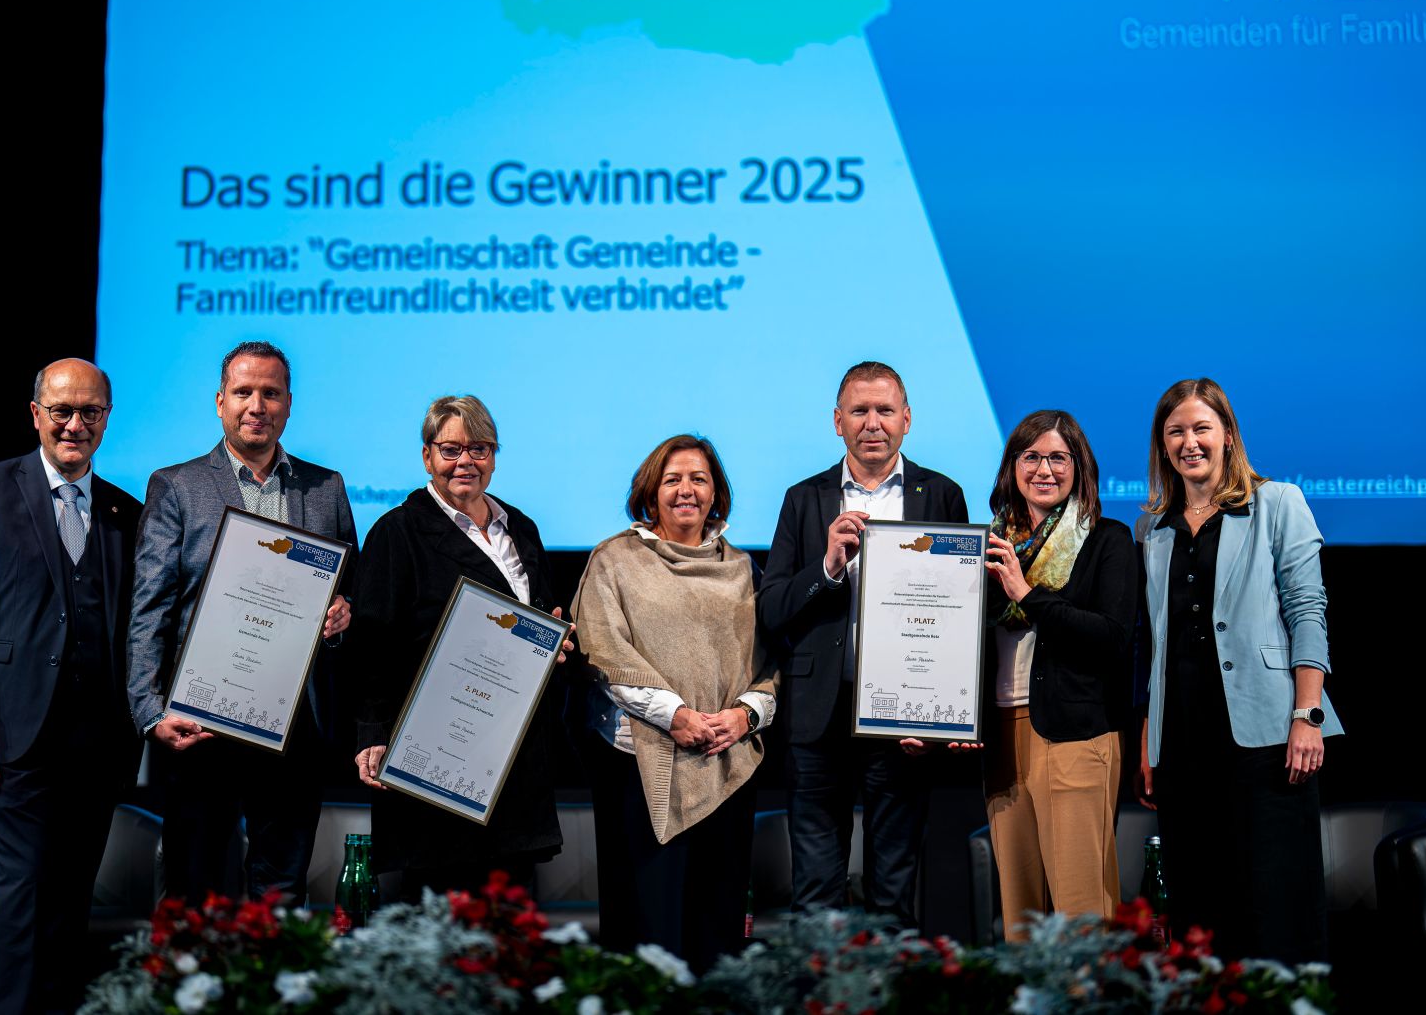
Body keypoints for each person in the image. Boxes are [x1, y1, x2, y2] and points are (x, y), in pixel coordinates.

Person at [0, 359, 143, 1015]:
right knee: (19, 902)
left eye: (90, 412)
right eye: (62, 410)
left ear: (107, 418)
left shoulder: (122, 510)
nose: (75, 424)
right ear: (35, 414)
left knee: (66, 907)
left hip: (98, 749)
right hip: (12, 745)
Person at [127, 341, 355, 903]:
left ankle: (274, 990)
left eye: (270, 393)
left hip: (294, 723)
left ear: (288, 403)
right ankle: (196, 993)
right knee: (196, 888)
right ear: (220, 401)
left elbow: (347, 587)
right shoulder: (176, 486)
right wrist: (150, 711)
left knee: (280, 889)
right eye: (244, 392)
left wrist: (342, 612)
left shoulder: (325, 488)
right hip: (201, 721)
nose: (258, 405)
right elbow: (148, 608)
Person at [757, 361, 971, 923]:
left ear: (907, 419)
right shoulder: (804, 499)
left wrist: (939, 715)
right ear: (837, 421)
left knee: (894, 897)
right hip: (818, 718)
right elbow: (771, 608)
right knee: (815, 896)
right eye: (859, 411)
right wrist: (826, 566)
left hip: (902, 722)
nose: (871, 423)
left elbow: (962, 615)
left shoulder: (942, 494)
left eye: (883, 410)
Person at [1138, 378, 1342, 963]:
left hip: (1266, 737)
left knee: (1277, 907)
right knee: (1199, 912)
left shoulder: (1278, 502)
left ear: (1227, 434)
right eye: (1175, 431)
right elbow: (1154, 643)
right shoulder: (1152, 528)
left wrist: (1307, 714)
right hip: (1181, 742)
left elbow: (1308, 612)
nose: (1189, 441)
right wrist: (1148, 737)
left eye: (1201, 427)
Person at [573, 434, 776, 973]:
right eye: (673, 479)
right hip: (640, 766)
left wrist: (743, 716)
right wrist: (677, 716)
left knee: (717, 928)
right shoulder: (614, 559)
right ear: (651, 490)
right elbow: (603, 649)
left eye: (699, 479)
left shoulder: (742, 568)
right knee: (648, 929)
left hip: (726, 761)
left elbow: (770, 664)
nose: (686, 490)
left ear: (716, 494)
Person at [353, 395, 570, 897]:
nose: (465, 462)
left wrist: (553, 644)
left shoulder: (521, 528)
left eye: (479, 448)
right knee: (439, 923)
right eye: (451, 449)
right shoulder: (397, 532)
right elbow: (372, 644)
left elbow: (541, 616)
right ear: (427, 456)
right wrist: (372, 730)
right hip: (434, 752)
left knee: (510, 922)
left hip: (512, 752)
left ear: (494, 456)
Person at [972, 410, 1134, 940]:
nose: (1044, 469)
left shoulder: (1107, 540)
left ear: (1079, 467)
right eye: (1031, 456)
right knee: (1020, 916)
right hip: (1000, 736)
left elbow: (1111, 637)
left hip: (1074, 733)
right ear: (1012, 466)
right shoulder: (987, 545)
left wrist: (1027, 595)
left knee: (1080, 913)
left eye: (1058, 457)